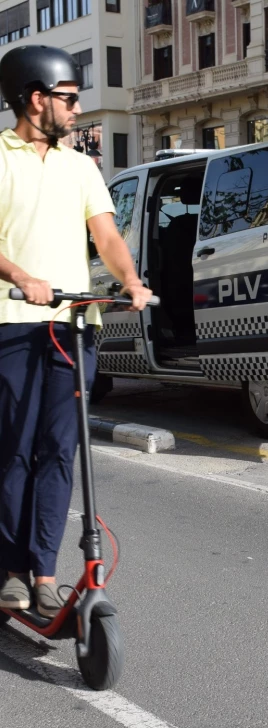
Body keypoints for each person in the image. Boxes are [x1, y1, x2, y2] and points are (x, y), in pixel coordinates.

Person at [0, 45, 152, 617]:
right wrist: (21, 275)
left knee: (59, 451)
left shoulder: (82, 167)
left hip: (72, 328)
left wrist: (131, 281)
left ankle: (43, 571)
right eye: (68, 98)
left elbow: (107, 237)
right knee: (13, 451)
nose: (77, 107)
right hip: (12, 323)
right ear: (36, 99)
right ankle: (11, 570)